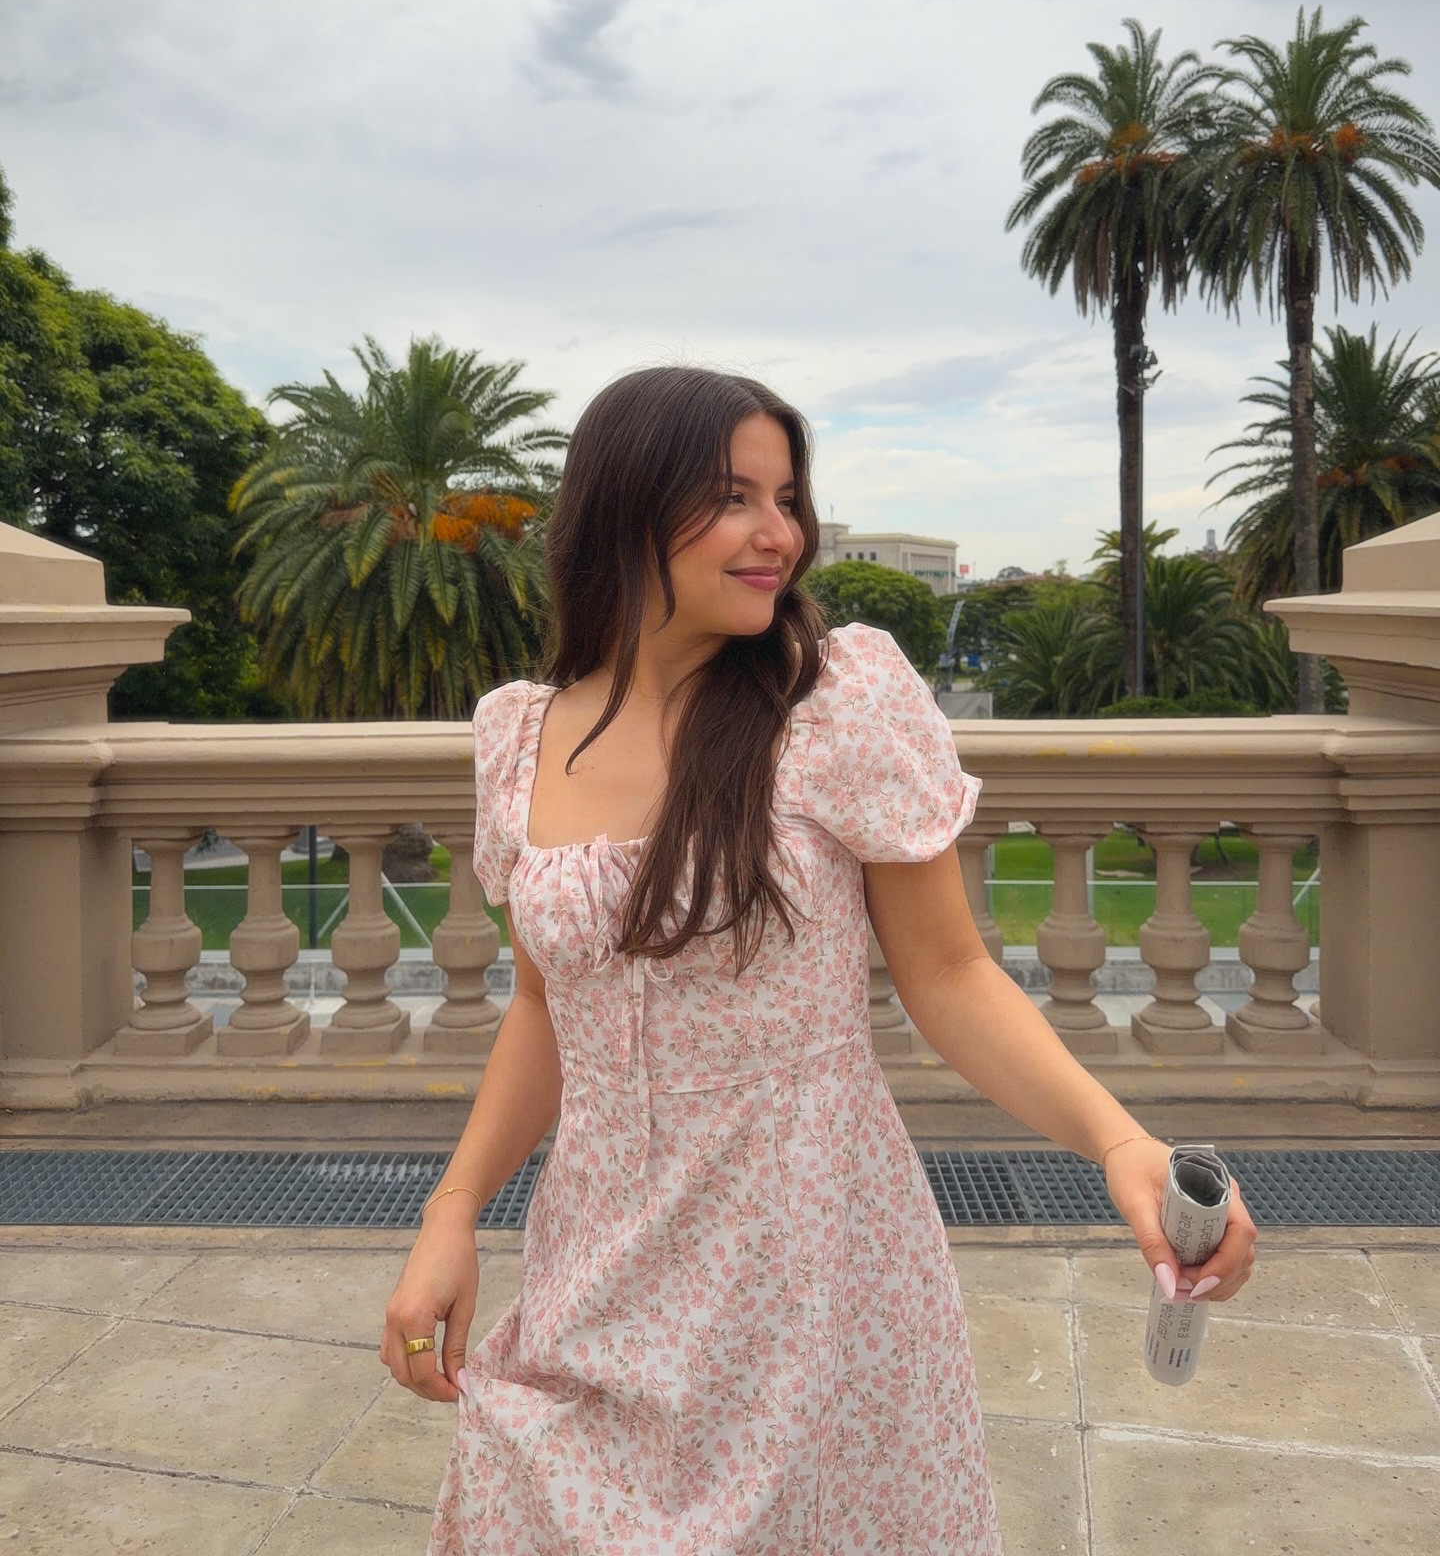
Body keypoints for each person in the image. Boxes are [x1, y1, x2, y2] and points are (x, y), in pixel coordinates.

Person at [382, 366, 1256, 1555]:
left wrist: (1120, 1143)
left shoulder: (834, 703)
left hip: (807, 1266)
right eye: (733, 497)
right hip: (595, 1256)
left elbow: (950, 975)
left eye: (787, 499)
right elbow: (545, 1008)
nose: (778, 535)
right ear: (623, 510)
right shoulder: (517, 737)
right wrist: (451, 1212)